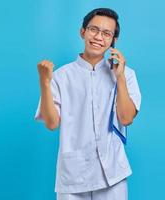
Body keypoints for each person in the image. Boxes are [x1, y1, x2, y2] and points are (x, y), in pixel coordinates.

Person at [35, 8, 141, 200]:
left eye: (107, 33)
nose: (99, 37)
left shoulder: (127, 74)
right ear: (82, 32)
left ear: (113, 40)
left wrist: (120, 78)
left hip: (113, 173)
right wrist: (44, 82)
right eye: (94, 29)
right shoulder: (61, 76)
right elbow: (51, 124)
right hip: (73, 175)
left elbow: (126, 118)